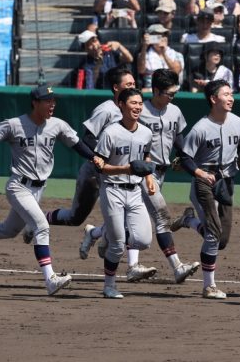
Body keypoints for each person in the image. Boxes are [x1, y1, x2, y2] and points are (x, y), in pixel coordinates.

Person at [0, 85, 96, 296]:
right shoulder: (15, 124)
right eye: (47, 101)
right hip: (18, 186)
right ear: (35, 103)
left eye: (53, 100)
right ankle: (50, 279)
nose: (52, 104)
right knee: (41, 225)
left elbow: (76, 144)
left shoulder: (58, 125)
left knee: (8, 230)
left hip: (38, 189)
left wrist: (94, 157)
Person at [80, 69, 201, 284]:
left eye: (174, 92)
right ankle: (176, 267)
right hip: (138, 175)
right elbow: (111, 136)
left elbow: (179, 140)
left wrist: (186, 159)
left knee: (130, 222)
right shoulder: (136, 110)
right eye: (168, 92)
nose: (172, 96)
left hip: (158, 173)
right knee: (161, 218)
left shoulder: (174, 112)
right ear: (155, 90)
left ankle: (97, 233)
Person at [171, 79, 240, 299]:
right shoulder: (200, 128)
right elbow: (185, 158)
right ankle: (209, 286)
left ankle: (189, 220)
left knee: (221, 240)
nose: (231, 98)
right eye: (226, 94)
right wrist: (198, 173)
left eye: (231, 93)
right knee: (214, 234)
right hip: (203, 182)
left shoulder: (238, 122)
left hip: (226, 182)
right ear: (213, 99)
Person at [46, 67, 135, 228]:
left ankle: (101, 240)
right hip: (95, 172)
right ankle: (38, 220)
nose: (133, 87)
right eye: (128, 84)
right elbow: (87, 137)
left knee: (126, 215)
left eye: (134, 83)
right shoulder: (106, 110)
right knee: (75, 218)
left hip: (119, 171)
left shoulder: (134, 109)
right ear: (116, 87)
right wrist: (103, 156)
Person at [92, 88, 156, 299]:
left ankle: (101, 233)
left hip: (136, 191)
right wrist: (126, 169)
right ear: (121, 105)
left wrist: (148, 178)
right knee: (118, 245)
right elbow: (100, 167)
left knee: (144, 240)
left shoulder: (146, 132)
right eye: (133, 103)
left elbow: (145, 157)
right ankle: (109, 286)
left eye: (140, 103)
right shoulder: (110, 132)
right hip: (112, 190)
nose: (138, 107)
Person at [137, 24, 184, 92]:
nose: (162, 38)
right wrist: (144, 47)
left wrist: (163, 52)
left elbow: (176, 72)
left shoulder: (177, 54)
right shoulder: (144, 54)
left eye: (164, 35)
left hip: (172, 89)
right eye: (158, 35)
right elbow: (141, 70)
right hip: (151, 90)